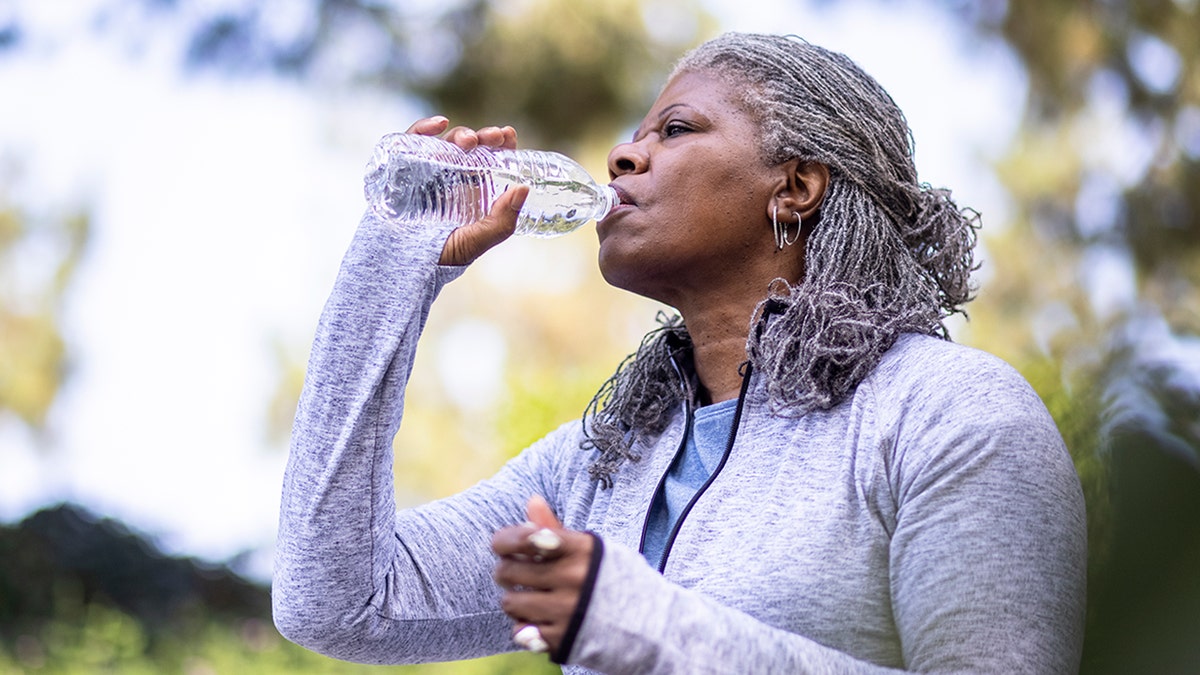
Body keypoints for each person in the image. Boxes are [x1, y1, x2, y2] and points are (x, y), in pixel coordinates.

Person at [273, 32, 1087, 674]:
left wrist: (637, 621)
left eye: (676, 129)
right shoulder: (598, 465)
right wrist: (392, 270)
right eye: (632, 136)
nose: (624, 158)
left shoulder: (950, 411)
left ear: (797, 186)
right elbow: (336, 600)